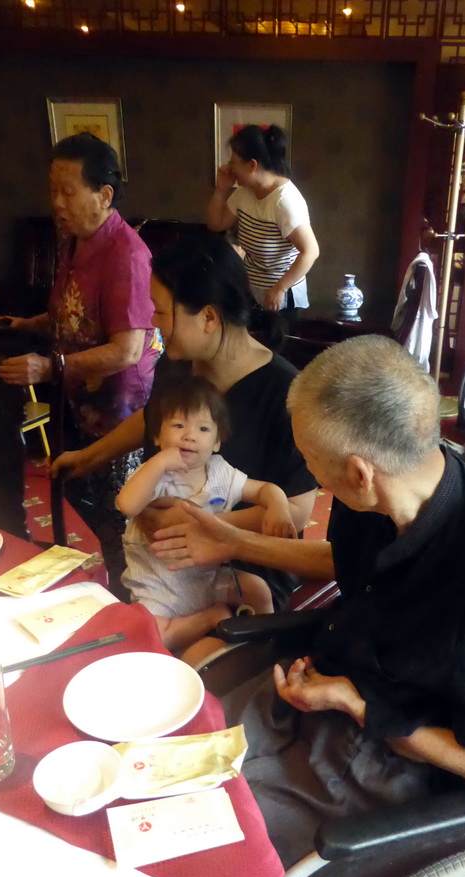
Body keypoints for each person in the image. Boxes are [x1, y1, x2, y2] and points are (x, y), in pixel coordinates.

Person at [151, 335, 465, 868]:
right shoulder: (390, 491)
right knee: (165, 768)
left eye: (309, 461)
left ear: (357, 472)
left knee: (201, 848)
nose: (307, 473)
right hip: (324, 682)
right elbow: (349, 562)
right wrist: (232, 541)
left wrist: (355, 703)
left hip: (386, 759)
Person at [51, 232, 318, 626]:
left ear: (209, 317)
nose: (152, 321)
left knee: (186, 659)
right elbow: (153, 420)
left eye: (160, 311)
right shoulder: (178, 363)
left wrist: (198, 525)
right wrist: (87, 458)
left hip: (245, 567)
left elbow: (294, 514)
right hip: (163, 563)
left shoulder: (285, 394)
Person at [0, 132, 160, 592]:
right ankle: (113, 583)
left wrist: (47, 368)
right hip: (82, 397)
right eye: (53, 190)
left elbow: (128, 349)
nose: (57, 202)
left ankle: (137, 600)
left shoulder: (126, 253)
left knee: (120, 513)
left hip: (120, 409)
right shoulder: (75, 241)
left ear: (104, 195)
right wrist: (28, 324)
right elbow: (72, 311)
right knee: (81, 495)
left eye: (69, 191)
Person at [117, 374, 296, 656]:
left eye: (203, 428)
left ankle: (266, 644)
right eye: (178, 425)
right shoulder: (155, 475)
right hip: (160, 583)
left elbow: (265, 489)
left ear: (216, 442)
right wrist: (160, 460)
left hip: (208, 578)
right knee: (153, 638)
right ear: (157, 435)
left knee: (258, 588)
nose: (189, 435)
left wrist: (278, 506)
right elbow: (127, 505)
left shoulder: (221, 472)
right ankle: (213, 616)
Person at [207, 124, 319, 313]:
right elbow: (216, 224)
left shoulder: (285, 201)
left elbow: (311, 251)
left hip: (281, 298)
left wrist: (280, 288)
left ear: (252, 165)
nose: (229, 167)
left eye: (234, 162)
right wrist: (221, 190)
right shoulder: (244, 193)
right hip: (252, 290)